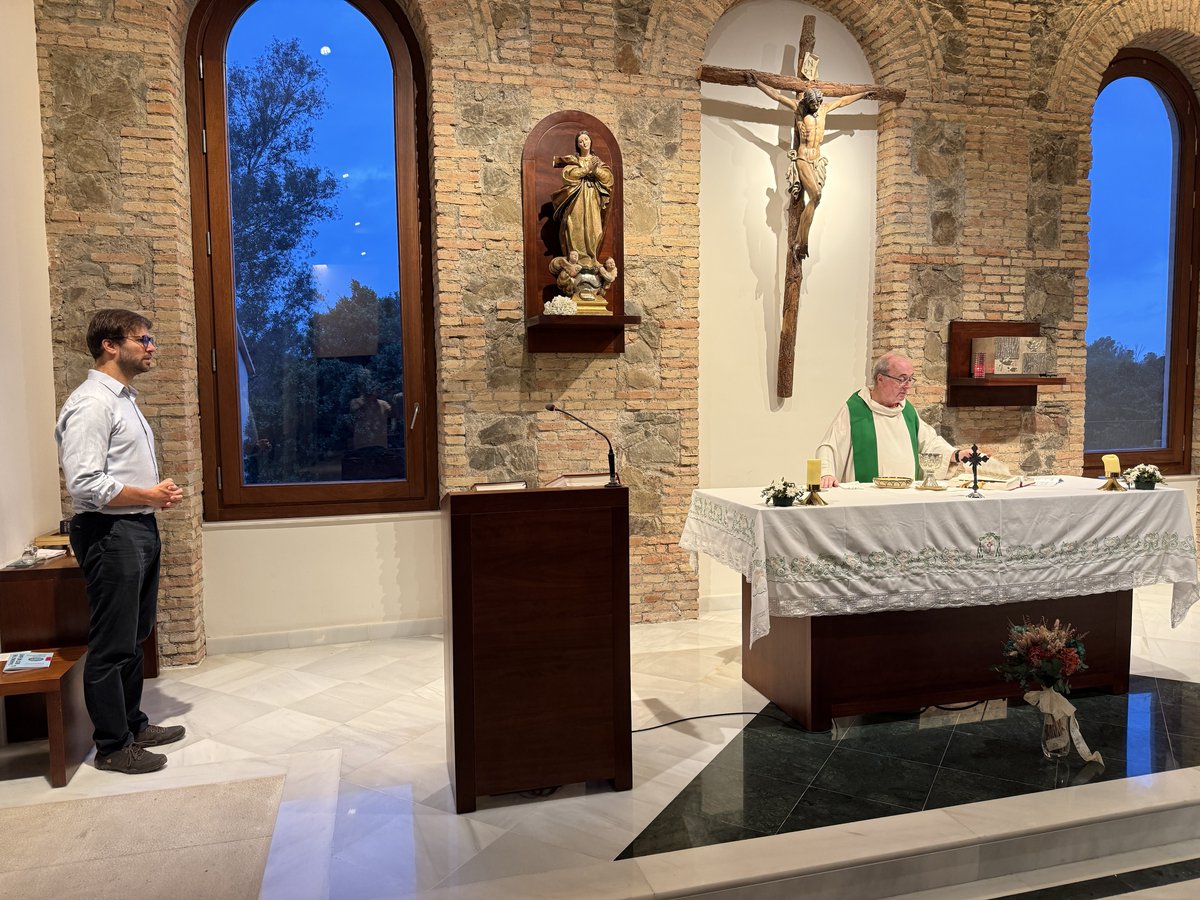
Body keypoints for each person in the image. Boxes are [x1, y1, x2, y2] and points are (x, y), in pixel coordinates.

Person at [55, 309, 186, 775]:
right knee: (112, 644)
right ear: (111, 345)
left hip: (135, 526)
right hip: (110, 532)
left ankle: (131, 723)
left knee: (134, 636)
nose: (151, 347)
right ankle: (112, 746)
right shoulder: (93, 403)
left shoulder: (124, 399)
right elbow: (86, 484)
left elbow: (115, 474)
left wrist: (150, 495)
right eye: (143, 338)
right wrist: (146, 494)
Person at [747, 75, 873, 261]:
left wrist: (862, 94)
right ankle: (800, 241)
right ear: (807, 102)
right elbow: (777, 96)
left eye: (817, 104)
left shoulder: (823, 110)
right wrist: (758, 83)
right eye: (812, 104)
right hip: (803, 158)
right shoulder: (799, 109)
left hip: (817, 160)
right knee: (816, 196)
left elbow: (843, 101)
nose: (815, 107)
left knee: (816, 199)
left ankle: (801, 240)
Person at [815, 352, 978, 488]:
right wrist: (826, 473)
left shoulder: (907, 411)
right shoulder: (856, 409)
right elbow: (830, 445)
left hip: (906, 498)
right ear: (880, 379)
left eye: (910, 379)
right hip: (867, 498)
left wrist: (955, 454)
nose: (907, 386)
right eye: (902, 379)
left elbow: (929, 444)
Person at [551, 130, 615, 264]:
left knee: (594, 228)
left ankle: (591, 259)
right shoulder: (574, 161)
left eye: (586, 139)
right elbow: (568, 175)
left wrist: (595, 169)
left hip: (592, 198)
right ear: (577, 145)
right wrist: (587, 169)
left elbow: (608, 179)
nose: (584, 142)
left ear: (591, 141)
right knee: (576, 226)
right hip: (577, 198)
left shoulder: (598, 162)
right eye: (581, 141)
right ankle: (577, 260)